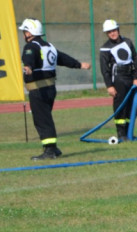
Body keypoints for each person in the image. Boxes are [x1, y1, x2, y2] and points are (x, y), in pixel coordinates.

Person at [18, 18, 92, 160]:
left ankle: (50, 150)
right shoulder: (49, 46)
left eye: (24, 31)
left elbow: (29, 59)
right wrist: (79, 64)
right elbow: (63, 58)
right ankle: (53, 149)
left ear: (29, 32)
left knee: (42, 119)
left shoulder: (30, 46)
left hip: (38, 89)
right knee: (46, 117)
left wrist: (28, 67)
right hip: (50, 88)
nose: (23, 34)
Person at [99, 19, 137, 141]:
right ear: (106, 33)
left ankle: (129, 131)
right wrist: (109, 86)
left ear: (118, 29)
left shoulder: (127, 42)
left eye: (114, 30)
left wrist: (136, 78)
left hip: (130, 78)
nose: (112, 33)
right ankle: (121, 133)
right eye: (109, 32)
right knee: (120, 106)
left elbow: (135, 59)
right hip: (118, 79)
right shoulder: (105, 48)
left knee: (133, 106)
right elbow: (104, 69)